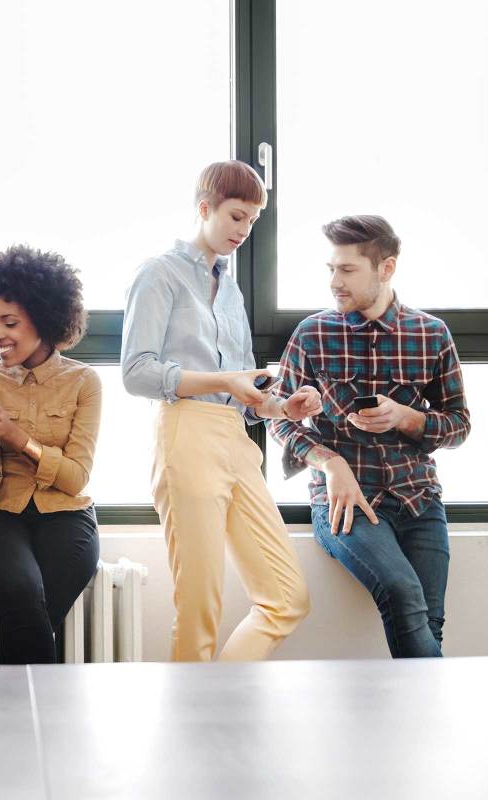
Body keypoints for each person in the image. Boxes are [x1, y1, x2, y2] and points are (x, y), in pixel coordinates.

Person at [121, 160, 318, 662]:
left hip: (235, 440)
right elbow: (137, 372)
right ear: (204, 208)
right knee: (199, 606)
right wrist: (223, 381)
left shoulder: (230, 291)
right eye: (235, 216)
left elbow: (245, 392)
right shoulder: (158, 274)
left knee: (286, 598)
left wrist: (283, 406)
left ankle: (220, 700)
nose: (243, 230)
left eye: (251, 221)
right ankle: (194, 729)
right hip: (185, 434)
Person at [269, 215, 470, 658]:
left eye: (347, 270)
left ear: (386, 268)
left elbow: (459, 425)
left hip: (419, 498)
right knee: (402, 593)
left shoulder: (432, 334)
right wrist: (329, 461)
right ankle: (430, 720)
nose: (334, 282)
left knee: (430, 621)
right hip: (346, 504)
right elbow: (276, 418)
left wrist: (407, 417)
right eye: (331, 269)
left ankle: (412, 722)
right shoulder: (313, 333)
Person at [0, 244, 100, 665]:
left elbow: (76, 477)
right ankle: (40, 722)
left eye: (10, 322)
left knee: (32, 615)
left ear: (43, 317)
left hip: (69, 516)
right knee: (23, 598)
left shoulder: (84, 382)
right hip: (0, 517)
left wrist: (20, 440)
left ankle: (12, 720)